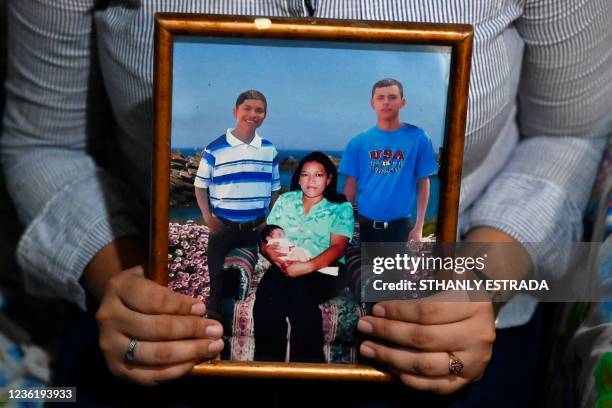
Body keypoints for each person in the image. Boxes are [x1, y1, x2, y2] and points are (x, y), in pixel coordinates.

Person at [1, 1, 610, 405]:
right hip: (176, 347)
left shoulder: (393, 154)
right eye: (309, 175)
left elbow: (569, 134)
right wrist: (124, 281)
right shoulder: (307, 173)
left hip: (445, 328)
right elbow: (42, 142)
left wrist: (473, 278)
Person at [253, 152, 354, 362]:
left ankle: (309, 378)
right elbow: (267, 237)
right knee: (266, 300)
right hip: (285, 264)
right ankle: (267, 375)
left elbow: (338, 247)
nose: (311, 180)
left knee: (300, 296)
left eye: (318, 175)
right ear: (298, 178)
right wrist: (269, 252)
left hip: (326, 269)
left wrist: (305, 267)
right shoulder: (285, 200)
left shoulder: (340, 207)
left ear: (328, 179)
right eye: (305, 175)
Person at [193, 89, 280, 323]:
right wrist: (207, 217)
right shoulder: (214, 149)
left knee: (273, 285)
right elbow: (200, 187)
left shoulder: (269, 149)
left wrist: (268, 219)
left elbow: (274, 188)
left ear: (265, 115)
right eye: (247, 108)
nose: (253, 114)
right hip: (223, 230)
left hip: (256, 230)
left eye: (259, 110)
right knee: (217, 297)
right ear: (235, 111)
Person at [339, 78, 437, 243]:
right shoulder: (358, 142)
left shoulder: (419, 138)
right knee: (362, 269)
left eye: (392, 97)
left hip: (400, 228)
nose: (386, 102)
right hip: (364, 226)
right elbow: (350, 188)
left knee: (395, 269)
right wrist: (345, 226)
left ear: (402, 102)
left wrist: (419, 227)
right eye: (380, 98)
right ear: (372, 103)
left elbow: (423, 182)